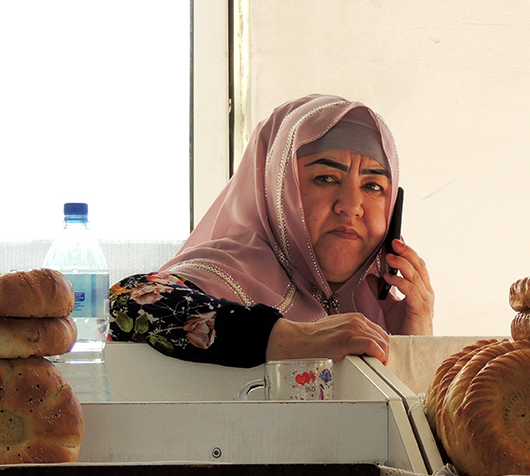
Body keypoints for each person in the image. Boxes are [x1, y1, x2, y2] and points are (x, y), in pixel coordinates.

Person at [109, 94, 434, 367]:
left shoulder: (384, 310)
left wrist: (413, 348)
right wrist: (292, 339)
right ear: (278, 190)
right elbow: (127, 302)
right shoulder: (229, 272)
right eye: (326, 178)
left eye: (374, 186)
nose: (351, 205)